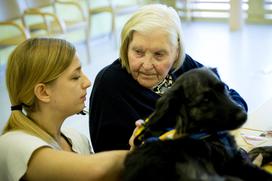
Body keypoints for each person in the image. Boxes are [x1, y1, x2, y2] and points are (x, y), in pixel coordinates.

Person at [88, 4, 248, 152]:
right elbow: (105, 158)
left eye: (159, 54)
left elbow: (233, 101)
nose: (147, 65)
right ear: (126, 47)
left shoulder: (184, 66)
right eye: (138, 52)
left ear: (176, 52)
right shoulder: (109, 83)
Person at [0, 37, 128, 181]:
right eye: (75, 77)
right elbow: (95, 170)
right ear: (43, 92)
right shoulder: (12, 144)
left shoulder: (76, 139)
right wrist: (142, 155)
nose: (87, 82)